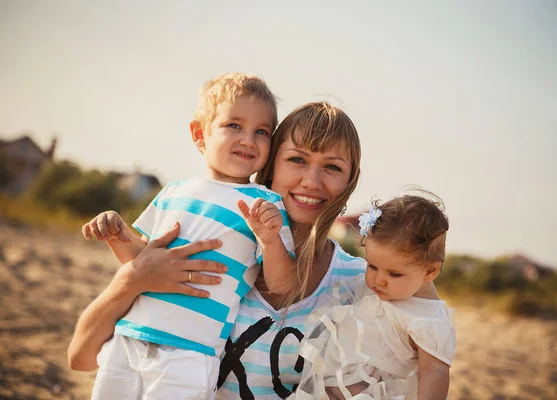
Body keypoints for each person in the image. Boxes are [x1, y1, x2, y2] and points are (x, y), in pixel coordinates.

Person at [69, 100, 382, 399]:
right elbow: (80, 357)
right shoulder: (210, 245)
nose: (312, 181)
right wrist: (132, 279)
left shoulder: (359, 282)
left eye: (333, 167)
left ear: (350, 181)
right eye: (297, 159)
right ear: (271, 165)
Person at [79, 72, 296, 399]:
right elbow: (140, 261)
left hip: (190, 354)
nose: (249, 139)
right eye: (234, 125)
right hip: (127, 339)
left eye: (262, 131)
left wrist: (269, 238)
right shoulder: (173, 192)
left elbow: (282, 285)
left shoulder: (265, 204)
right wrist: (117, 234)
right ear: (200, 134)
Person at [292, 194, 455, 400]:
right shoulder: (379, 289)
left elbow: (434, 373)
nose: (379, 280)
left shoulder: (428, 320)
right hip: (330, 385)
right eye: (372, 266)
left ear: (430, 272)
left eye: (394, 273)